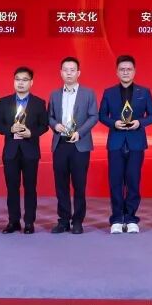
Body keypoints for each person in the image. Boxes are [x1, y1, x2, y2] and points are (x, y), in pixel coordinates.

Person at [98, 55, 152, 234]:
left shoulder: (144, 92)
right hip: (116, 142)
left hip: (136, 142)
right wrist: (113, 123)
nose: (125, 72)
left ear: (134, 71)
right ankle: (117, 218)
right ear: (117, 72)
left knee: (133, 181)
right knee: (115, 181)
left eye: (129, 69)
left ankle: (131, 218)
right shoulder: (109, 92)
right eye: (122, 69)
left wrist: (140, 122)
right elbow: (101, 115)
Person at [0, 67, 48, 234]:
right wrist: (9, 129)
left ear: (31, 82)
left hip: (30, 151)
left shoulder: (39, 103)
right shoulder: (3, 102)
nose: (21, 83)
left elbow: (44, 125)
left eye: (25, 80)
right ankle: (13, 221)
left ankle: (29, 222)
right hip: (11, 152)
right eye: (17, 79)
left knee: (30, 188)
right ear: (14, 81)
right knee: (12, 188)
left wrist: (32, 133)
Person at [47, 57, 99, 234]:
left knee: (79, 184)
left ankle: (77, 221)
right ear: (61, 73)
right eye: (65, 70)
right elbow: (49, 116)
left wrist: (80, 132)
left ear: (78, 73)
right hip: (60, 143)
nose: (69, 73)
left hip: (80, 144)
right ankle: (63, 221)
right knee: (61, 185)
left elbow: (94, 116)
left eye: (72, 70)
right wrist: (55, 125)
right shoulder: (54, 94)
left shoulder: (88, 93)